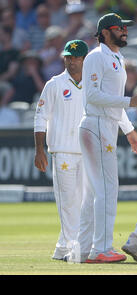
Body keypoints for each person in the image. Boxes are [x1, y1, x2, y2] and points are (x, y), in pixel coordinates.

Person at [73, 13, 137, 264]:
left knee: (95, 191)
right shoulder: (96, 57)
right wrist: (130, 102)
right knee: (106, 188)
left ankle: (84, 248)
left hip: (105, 125)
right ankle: (101, 248)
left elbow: (111, 103)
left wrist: (128, 130)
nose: (125, 31)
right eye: (120, 28)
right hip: (95, 123)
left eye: (126, 28)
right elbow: (93, 95)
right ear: (105, 32)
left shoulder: (116, 57)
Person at [33, 40, 89, 260]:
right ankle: (71, 247)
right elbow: (40, 116)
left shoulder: (92, 84)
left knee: (84, 202)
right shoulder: (54, 84)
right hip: (62, 151)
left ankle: (63, 247)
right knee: (67, 201)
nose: (71, 62)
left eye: (75, 58)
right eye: (68, 57)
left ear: (84, 60)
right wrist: (39, 150)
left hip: (86, 151)